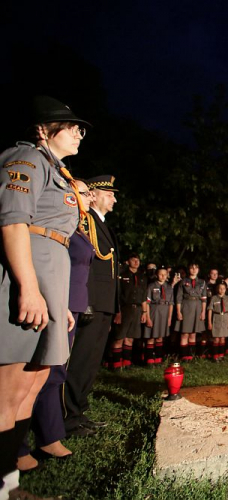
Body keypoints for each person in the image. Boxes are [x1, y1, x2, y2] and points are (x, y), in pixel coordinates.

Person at [0, 96, 86, 498]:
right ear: (42, 130)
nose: (77, 133)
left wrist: (59, 305)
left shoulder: (58, 170)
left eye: (79, 128)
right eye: (69, 127)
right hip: (28, 281)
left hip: (50, 285)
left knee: (31, 388)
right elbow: (15, 223)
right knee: (9, 391)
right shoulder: (27, 159)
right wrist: (30, 289)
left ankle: (10, 483)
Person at [16, 179, 95, 472]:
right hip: (51, 298)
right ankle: (19, 444)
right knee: (32, 372)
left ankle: (49, 435)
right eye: (84, 192)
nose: (87, 197)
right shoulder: (54, 227)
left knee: (54, 371)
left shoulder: (77, 228)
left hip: (68, 302)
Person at [64, 174, 120, 438]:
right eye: (110, 194)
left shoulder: (101, 224)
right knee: (79, 361)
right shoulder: (84, 221)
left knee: (90, 363)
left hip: (103, 304)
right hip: (91, 303)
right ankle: (67, 417)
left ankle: (79, 411)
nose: (114, 199)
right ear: (95, 194)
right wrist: (84, 301)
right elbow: (82, 264)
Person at [111, 254, 148, 368]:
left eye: (138, 260)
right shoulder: (122, 276)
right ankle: (116, 364)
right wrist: (118, 312)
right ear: (128, 261)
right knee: (119, 337)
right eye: (133, 260)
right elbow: (117, 295)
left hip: (137, 309)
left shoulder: (142, 277)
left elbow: (143, 296)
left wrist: (144, 312)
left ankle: (126, 363)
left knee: (130, 338)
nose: (136, 262)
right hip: (124, 308)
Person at [174, 263, 207, 361]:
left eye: (196, 268)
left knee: (193, 333)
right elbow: (178, 298)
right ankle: (184, 356)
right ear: (189, 270)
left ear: (198, 269)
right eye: (192, 268)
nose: (194, 269)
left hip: (197, 306)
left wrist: (203, 312)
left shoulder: (202, 282)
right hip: (186, 306)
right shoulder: (183, 281)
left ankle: (191, 355)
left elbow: (204, 299)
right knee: (185, 333)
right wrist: (179, 312)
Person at [143, 268, 175, 365]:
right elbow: (147, 303)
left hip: (164, 312)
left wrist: (169, 318)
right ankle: (149, 359)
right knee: (151, 336)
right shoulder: (151, 286)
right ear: (157, 275)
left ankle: (158, 358)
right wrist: (148, 317)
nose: (163, 276)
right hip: (154, 311)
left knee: (160, 337)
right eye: (161, 274)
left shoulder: (169, 287)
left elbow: (171, 304)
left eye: (165, 274)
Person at [207, 282, 228, 362]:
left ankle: (221, 355)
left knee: (223, 338)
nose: (222, 290)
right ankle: (215, 356)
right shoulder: (214, 298)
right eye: (220, 288)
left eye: (223, 288)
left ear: (225, 289)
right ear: (217, 289)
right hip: (216, 318)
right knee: (216, 339)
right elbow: (210, 309)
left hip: (224, 318)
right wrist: (209, 322)